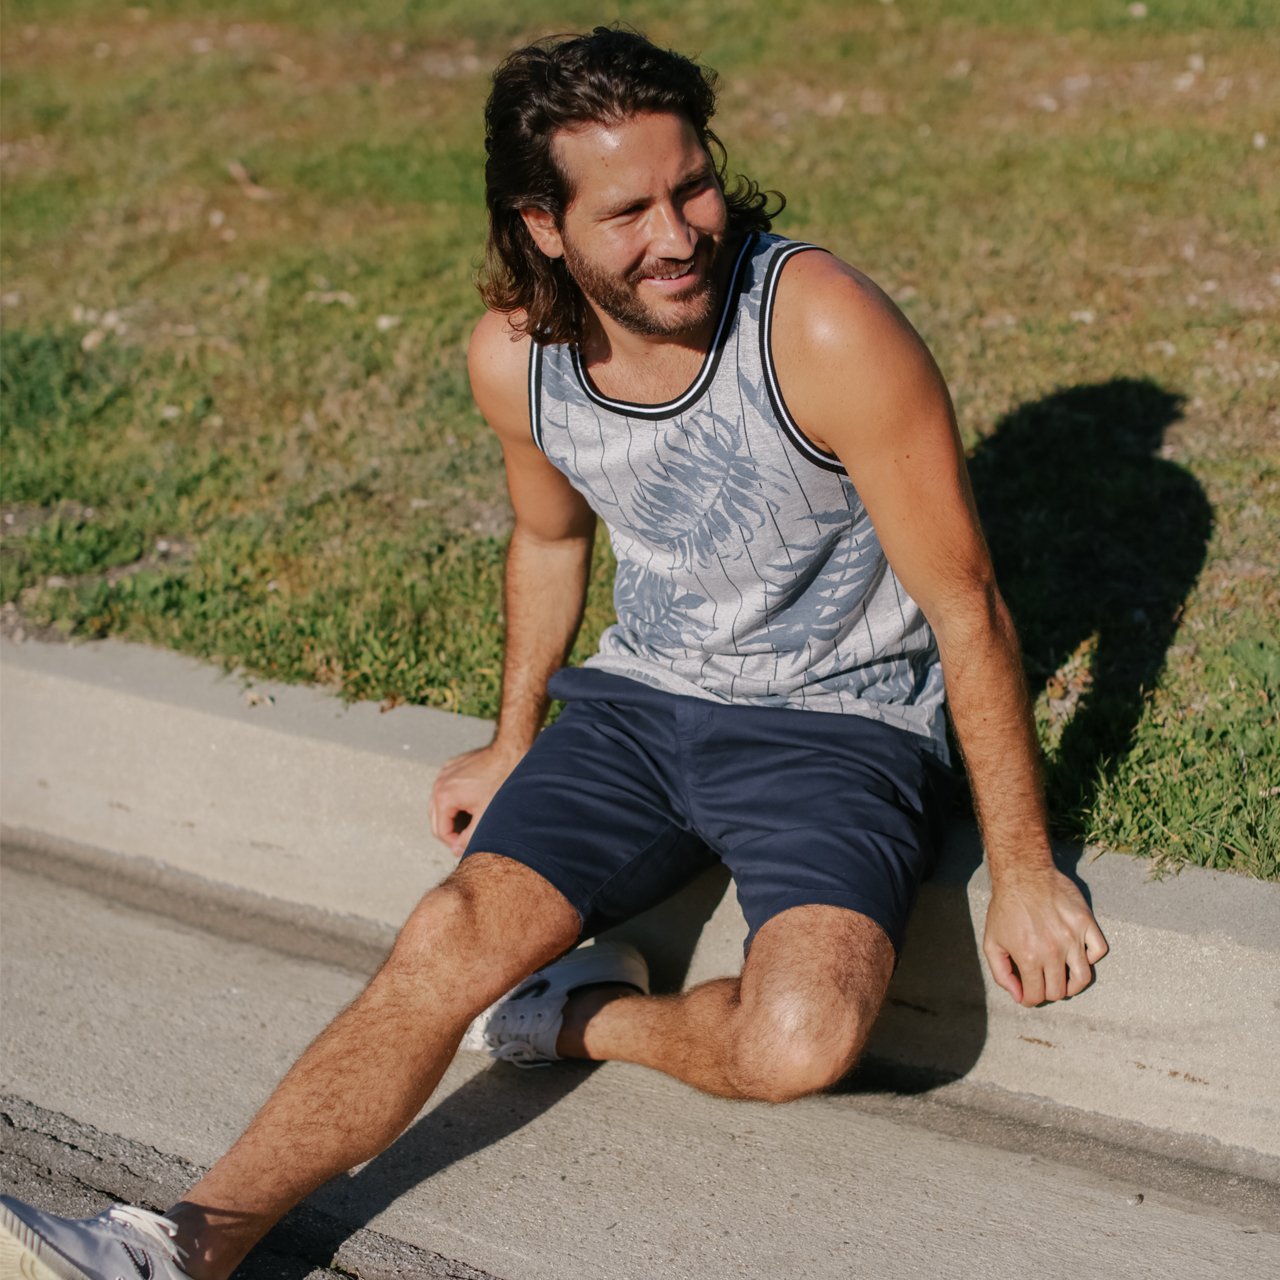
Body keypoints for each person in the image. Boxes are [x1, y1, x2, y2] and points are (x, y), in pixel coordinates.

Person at [0, 27, 1108, 1280]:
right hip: (638, 708)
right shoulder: (515, 358)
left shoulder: (819, 326)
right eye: (626, 209)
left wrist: (1019, 866)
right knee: (444, 933)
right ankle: (167, 1246)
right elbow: (545, 540)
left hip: (832, 726)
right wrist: (514, 735)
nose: (679, 232)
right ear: (542, 225)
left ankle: (579, 1017)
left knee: (799, 1035)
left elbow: (966, 603)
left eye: (691, 184)